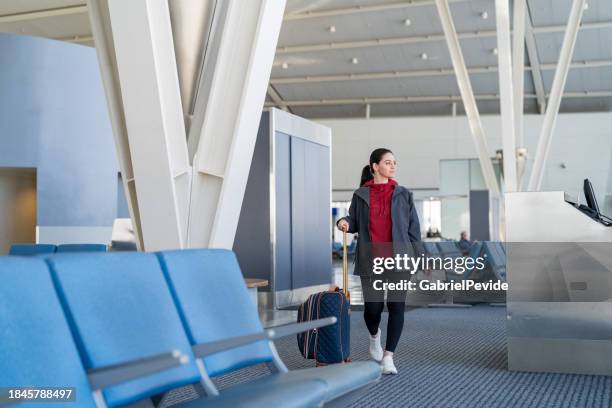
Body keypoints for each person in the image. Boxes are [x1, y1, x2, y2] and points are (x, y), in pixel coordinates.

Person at [337, 148, 421, 375]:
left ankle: (388, 357)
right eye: (387, 162)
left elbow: (414, 230)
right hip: (371, 260)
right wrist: (343, 221)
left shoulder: (404, 194)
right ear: (375, 166)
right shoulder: (361, 195)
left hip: (399, 260)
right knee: (372, 309)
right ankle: (374, 336)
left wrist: (420, 259)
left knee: (397, 307)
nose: (392, 166)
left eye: (394, 162)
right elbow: (352, 221)